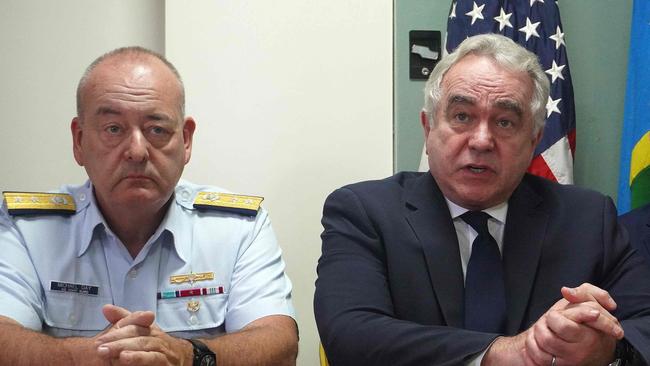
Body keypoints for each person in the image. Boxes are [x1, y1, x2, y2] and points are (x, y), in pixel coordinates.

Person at [314, 34, 650, 366]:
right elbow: (350, 335)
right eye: (462, 116)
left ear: (533, 141)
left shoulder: (588, 218)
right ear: (427, 128)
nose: (482, 140)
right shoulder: (364, 212)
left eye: (505, 122)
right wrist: (506, 352)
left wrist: (606, 347)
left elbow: (644, 323)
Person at [0, 47, 297, 365]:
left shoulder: (238, 229)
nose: (137, 151)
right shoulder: (27, 229)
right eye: (114, 129)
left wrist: (186, 355)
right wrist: (91, 357)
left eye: (157, 130)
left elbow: (278, 342)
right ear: (79, 140)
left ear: (185, 141)